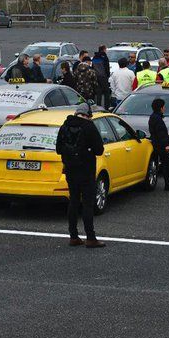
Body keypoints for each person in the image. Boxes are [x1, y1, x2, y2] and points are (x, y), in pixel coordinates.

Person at [56, 104, 106, 248]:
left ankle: (73, 236)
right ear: (87, 115)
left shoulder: (64, 126)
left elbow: (58, 149)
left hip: (70, 169)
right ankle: (90, 238)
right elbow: (99, 150)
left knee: (73, 201)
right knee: (88, 203)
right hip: (86, 170)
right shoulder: (89, 127)